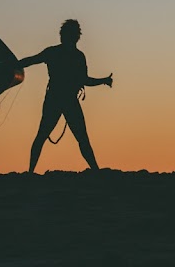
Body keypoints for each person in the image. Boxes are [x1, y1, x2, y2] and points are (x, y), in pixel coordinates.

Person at [18, 19, 113, 173]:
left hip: (59, 100)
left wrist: (103, 80)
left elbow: (31, 61)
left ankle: (31, 172)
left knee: (47, 136)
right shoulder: (74, 55)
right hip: (63, 100)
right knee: (73, 138)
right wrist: (103, 80)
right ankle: (95, 171)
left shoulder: (57, 53)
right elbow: (85, 80)